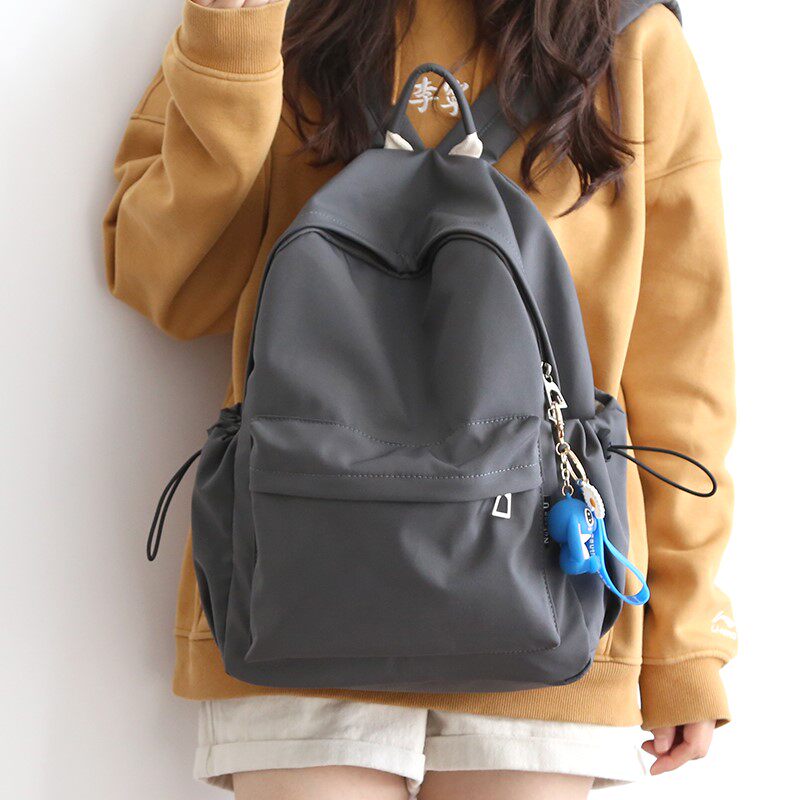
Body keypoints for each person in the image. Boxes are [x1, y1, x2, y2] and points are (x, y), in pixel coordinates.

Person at [103, 1, 737, 797]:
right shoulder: (266, 19)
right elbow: (165, 285)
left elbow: (681, 367)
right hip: (299, 591)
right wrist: (232, 39)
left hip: (543, 591)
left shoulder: (631, 39)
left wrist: (685, 638)